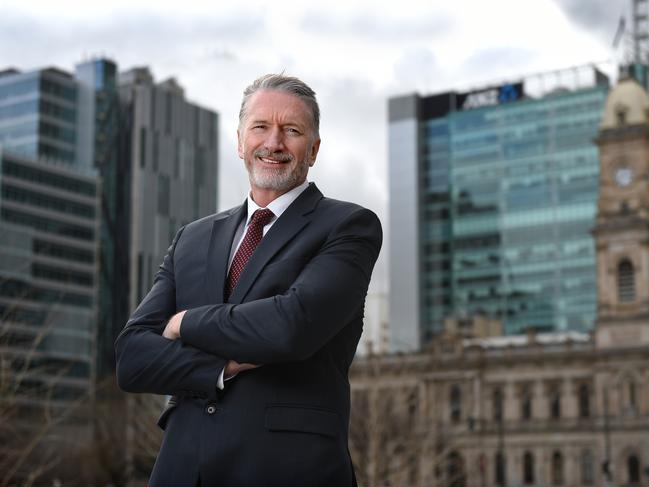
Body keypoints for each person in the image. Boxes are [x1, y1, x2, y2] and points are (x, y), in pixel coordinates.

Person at [115, 73, 382, 487]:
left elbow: (290, 327)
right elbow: (132, 357)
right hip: (183, 469)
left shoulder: (349, 226)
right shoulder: (193, 237)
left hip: (289, 470)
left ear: (312, 149)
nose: (273, 143)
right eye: (261, 127)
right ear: (240, 141)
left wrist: (183, 323)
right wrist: (223, 365)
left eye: (291, 131)